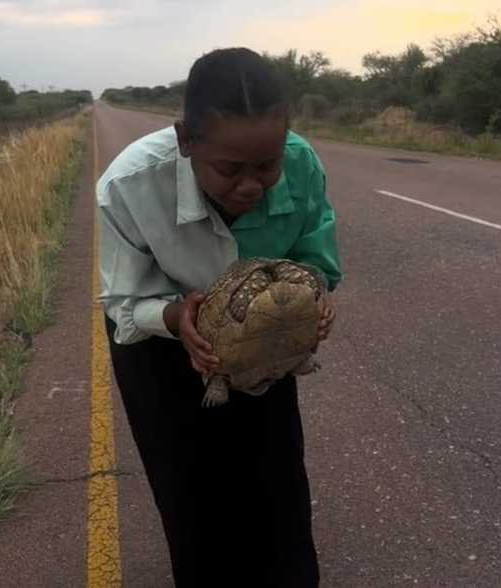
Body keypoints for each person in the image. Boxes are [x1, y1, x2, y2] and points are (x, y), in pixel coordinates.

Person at [97, 47, 342, 587]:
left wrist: (313, 300)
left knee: (274, 471)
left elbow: (313, 257)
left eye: (267, 166)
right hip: (157, 338)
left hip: (262, 338)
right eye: (230, 170)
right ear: (186, 141)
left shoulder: (301, 166)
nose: (252, 186)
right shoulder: (129, 185)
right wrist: (174, 315)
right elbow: (123, 304)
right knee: (188, 481)